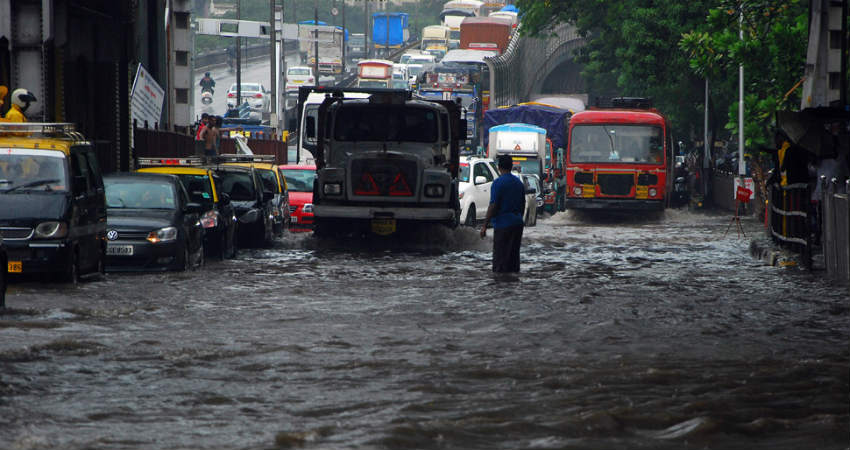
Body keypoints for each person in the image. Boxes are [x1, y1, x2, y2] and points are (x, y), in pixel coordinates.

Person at [480, 154, 526, 274]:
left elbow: (493, 205)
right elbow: (523, 205)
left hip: (503, 225)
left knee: (500, 262)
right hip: (517, 224)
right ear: (511, 167)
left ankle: (500, 289)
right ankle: (513, 285)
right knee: (513, 259)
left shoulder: (498, 183)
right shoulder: (519, 184)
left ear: (499, 167)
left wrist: (484, 225)